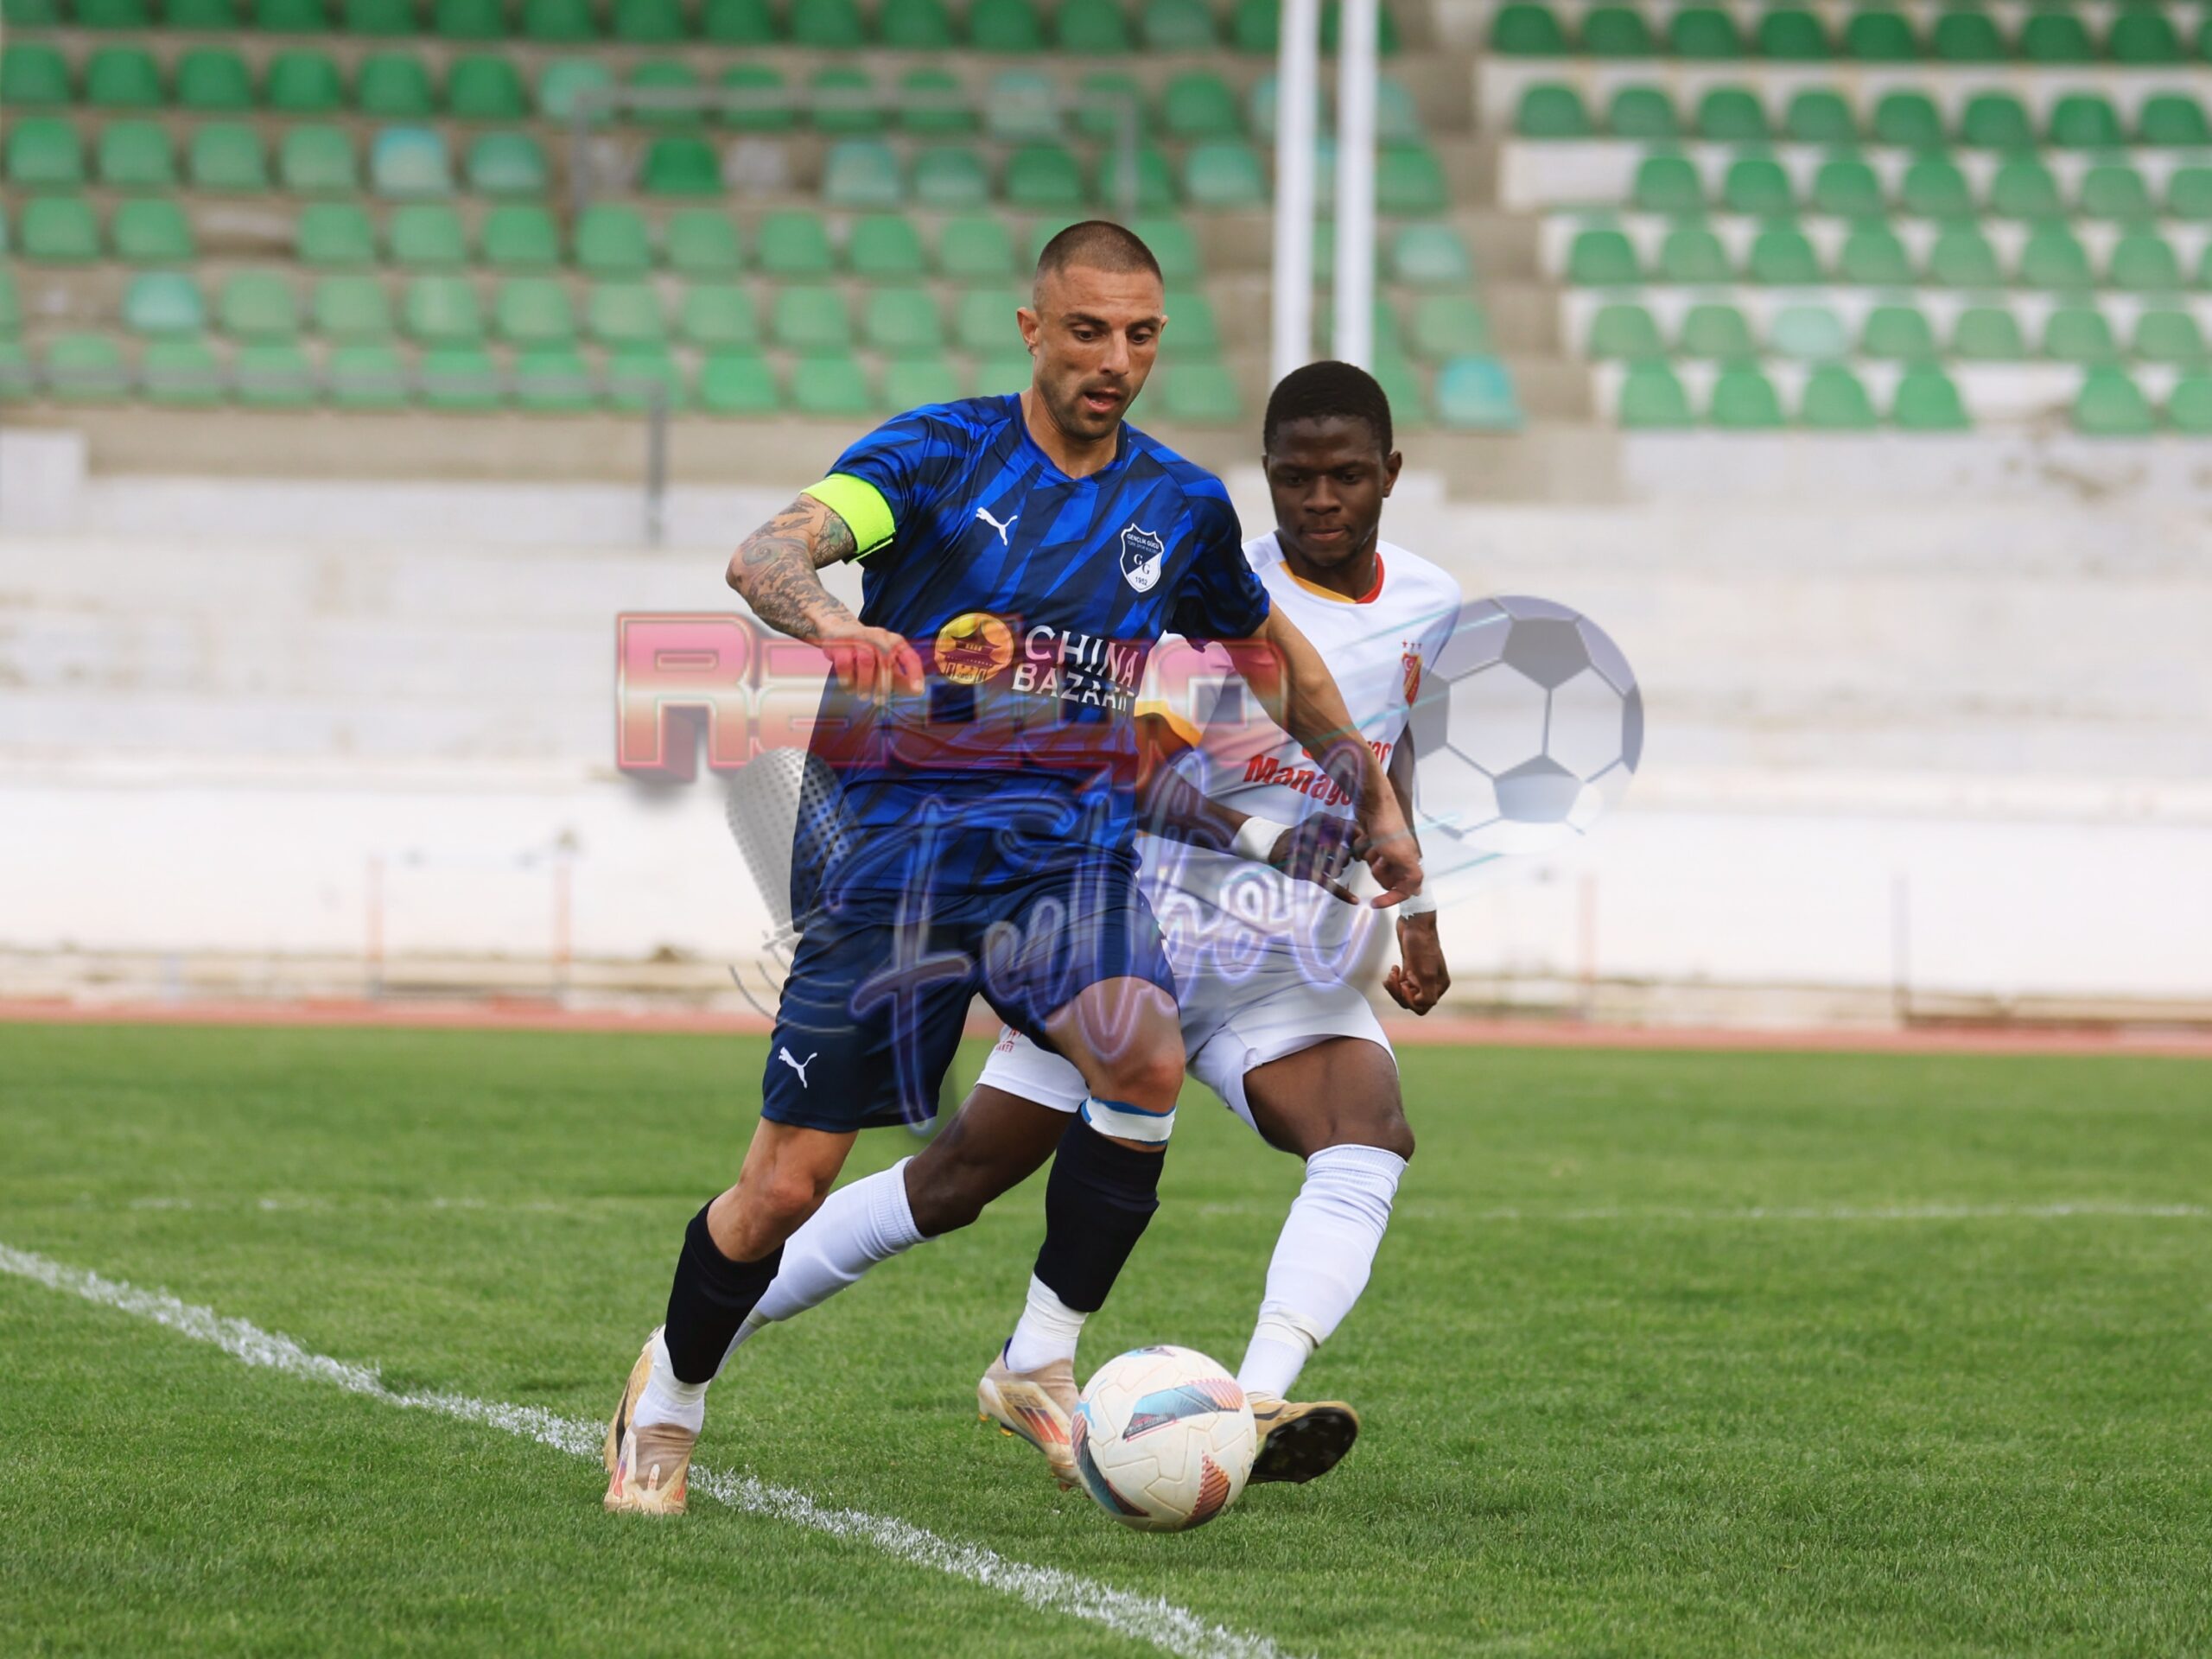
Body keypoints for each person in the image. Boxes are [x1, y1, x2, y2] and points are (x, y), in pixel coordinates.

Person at [602, 227, 1423, 1514]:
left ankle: (1038, 1360)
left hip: (1066, 867)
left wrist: (1368, 793)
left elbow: (1273, 657)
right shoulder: (935, 456)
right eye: (1088, 331)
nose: (1115, 361)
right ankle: (668, 1398)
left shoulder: (1178, 505)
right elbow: (767, 553)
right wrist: (834, 623)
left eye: (1140, 336)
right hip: (896, 864)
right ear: (1034, 329)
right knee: (784, 1187)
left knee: (1142, 1060)